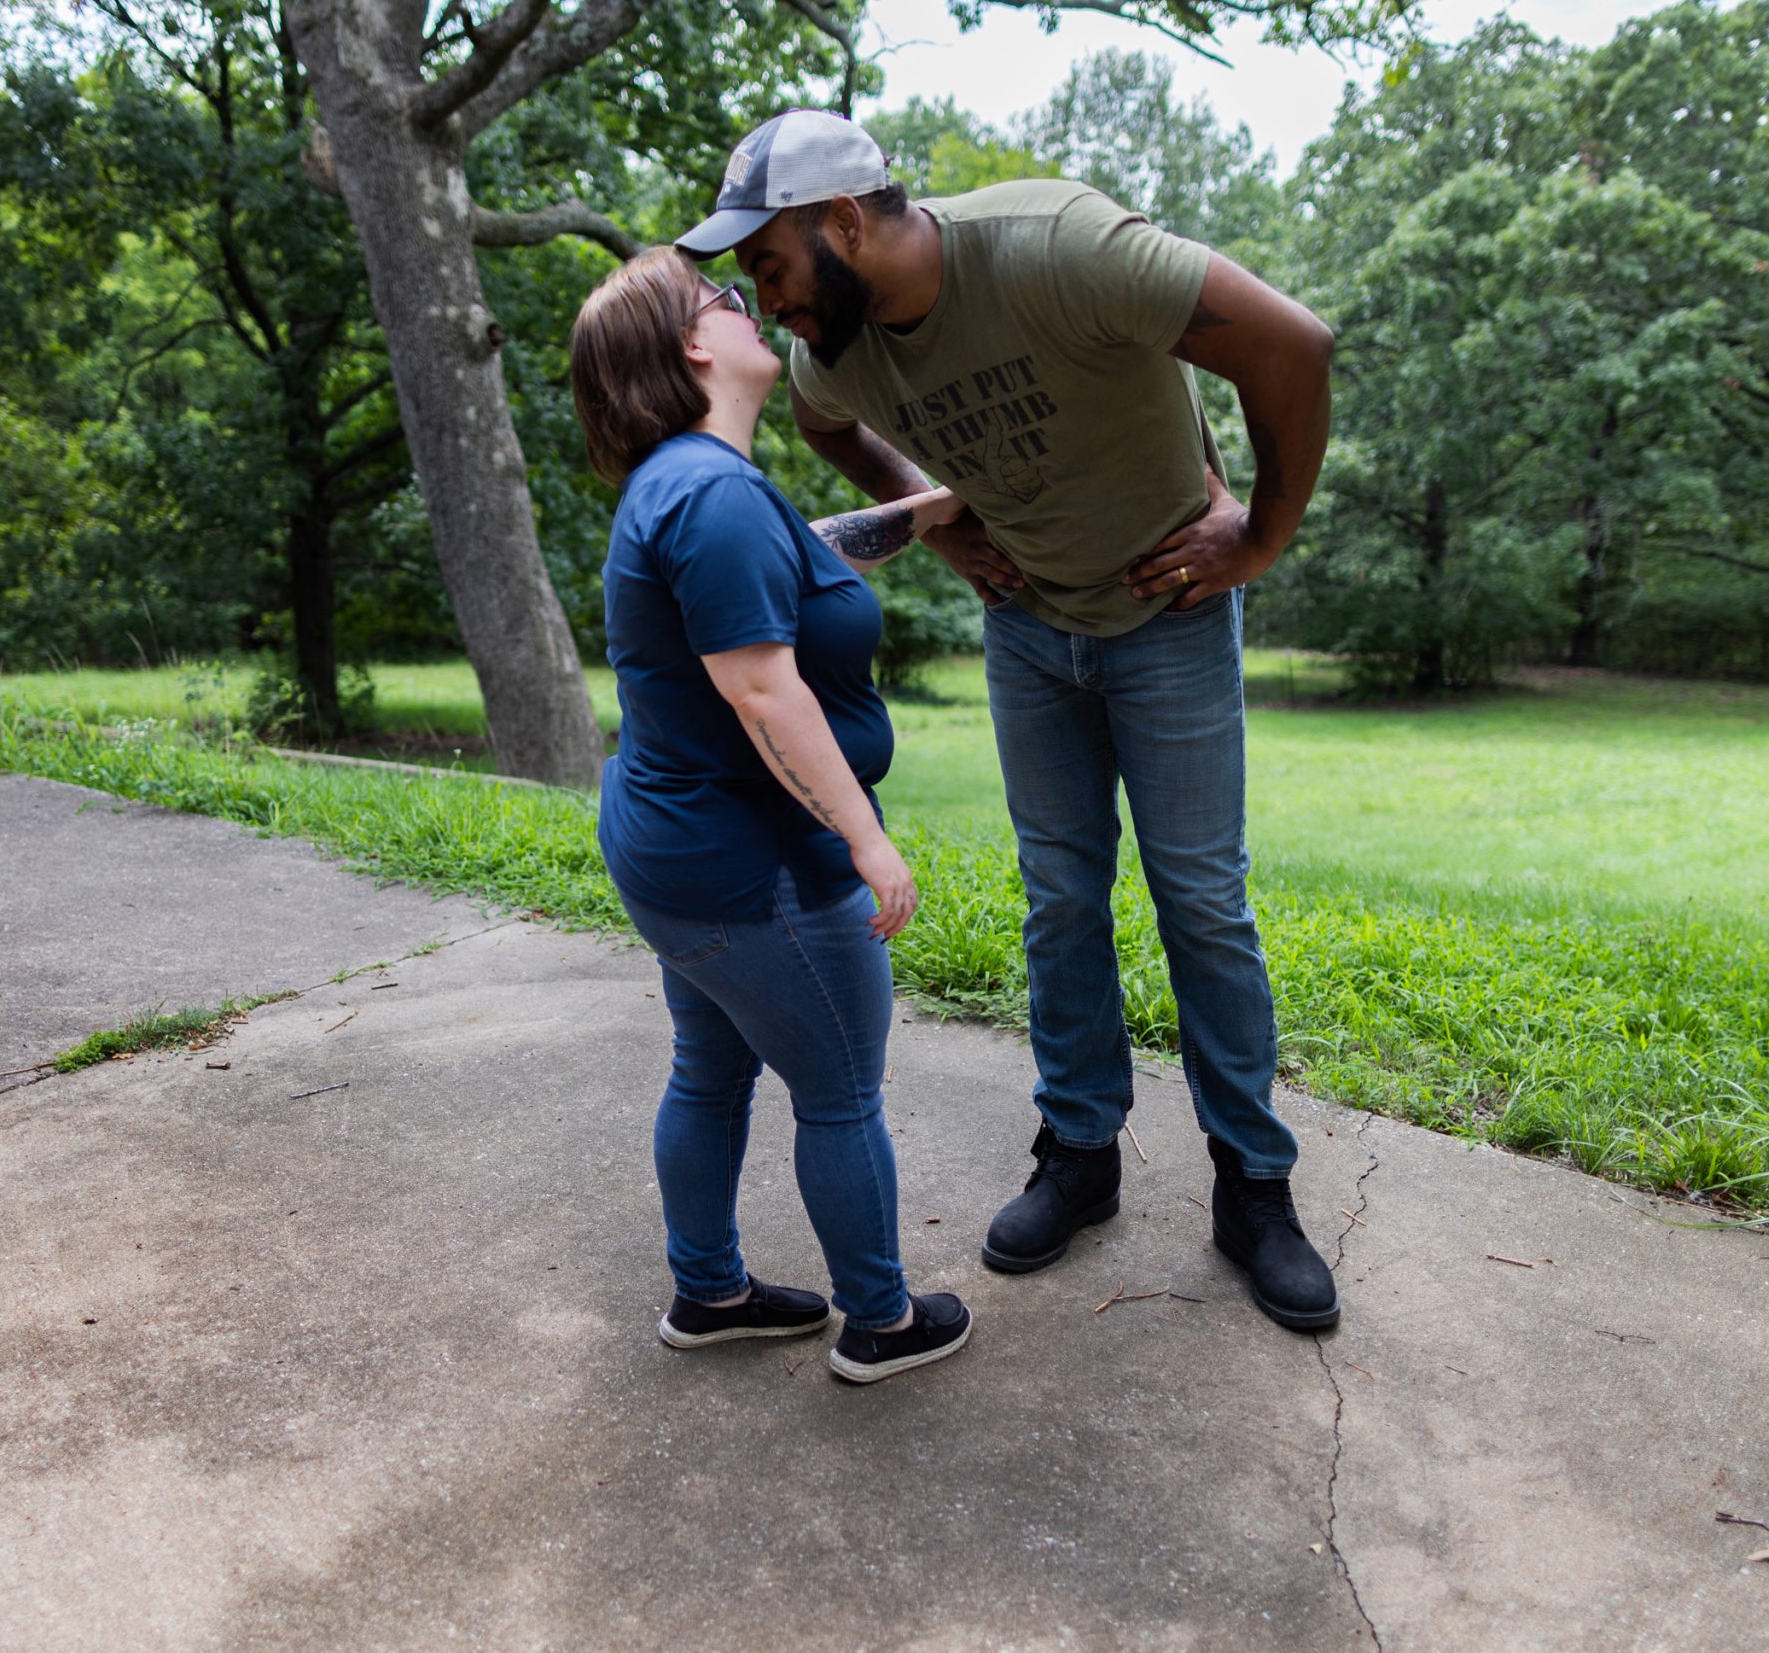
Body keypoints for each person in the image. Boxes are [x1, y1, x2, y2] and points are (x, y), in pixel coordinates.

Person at [675, 109, 1342, 1332]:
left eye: (766, 265)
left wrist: (1261, 537)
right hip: (1030, 630)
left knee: (1199, 895)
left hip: (1168, 615)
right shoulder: (837, 353)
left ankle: (1254, 1185)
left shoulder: (1058, 246)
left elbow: (1292, 346)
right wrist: (949, 524)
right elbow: (830, 425)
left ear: (840, 222)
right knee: (1059, 894)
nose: (764, 305)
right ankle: (1079, 1152)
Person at [568, 244, 974, 1383]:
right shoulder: (710, 492)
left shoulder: (689, 482)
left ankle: (709, 1293)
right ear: (692, 346)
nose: (751, 311)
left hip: (674, 851)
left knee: (709, 1065)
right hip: (754, 869)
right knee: (841, 1093)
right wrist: (867, 838)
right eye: (724, 301)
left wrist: (925, 511)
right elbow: (761, 688)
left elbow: (794, 561)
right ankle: (882, 1323)